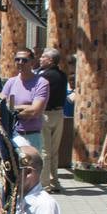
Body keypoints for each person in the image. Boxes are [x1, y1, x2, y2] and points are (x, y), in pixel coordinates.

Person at [1, 49, 49, 149]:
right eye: (17, 60)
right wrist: (25, 108)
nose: (20, 63)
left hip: (31, 137)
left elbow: (35, 111)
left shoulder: (41, 83)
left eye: (24, 60)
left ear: (32, 62)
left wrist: (12, 110)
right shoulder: (11, 82)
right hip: (11, 135)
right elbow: (1, 107)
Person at [37, 49, 67, 192]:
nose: (40, 59)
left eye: (43, 57)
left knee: (45, 151)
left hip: (46, 115)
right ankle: (55, 181)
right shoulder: (63, 75)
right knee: (55, 151)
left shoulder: (43, 76)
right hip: (59, 114)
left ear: (50, 60)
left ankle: (45, 184)